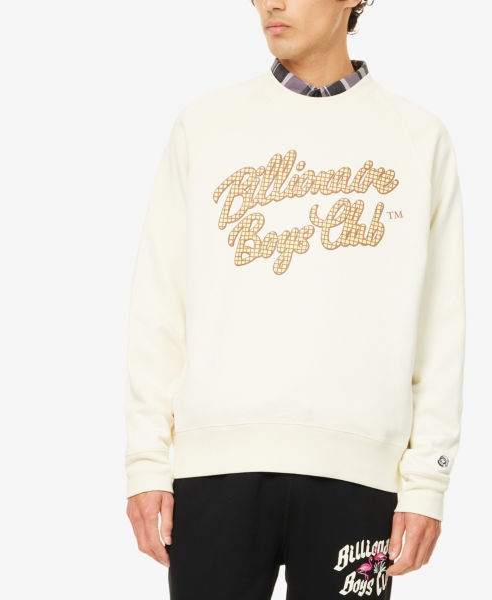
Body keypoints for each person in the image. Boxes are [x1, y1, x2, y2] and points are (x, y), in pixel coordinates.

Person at [123, 1, 466, 598]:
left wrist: (427, 481)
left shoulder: (418, 138)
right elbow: (159, 305)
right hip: (214, 473)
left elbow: (441, 328)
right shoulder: (206, 125)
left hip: (361, 479)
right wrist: (146, 461)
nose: (271, 3)